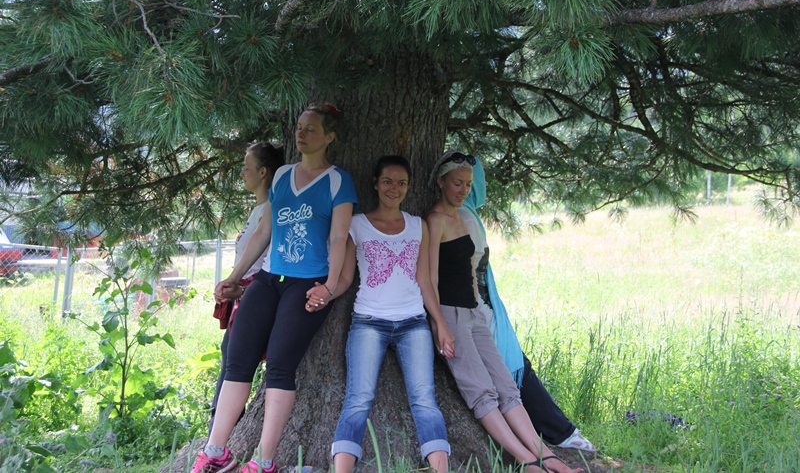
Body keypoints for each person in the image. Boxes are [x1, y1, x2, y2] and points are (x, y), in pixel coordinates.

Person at [191, 103, 358, 473]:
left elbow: (338, 238)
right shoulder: (282, 175)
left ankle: (263, 461)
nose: (302, 134)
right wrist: (235, 277)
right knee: (238, 361)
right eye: (299, 127)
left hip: (307, 284)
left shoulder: (337, 181)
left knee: (280, 368)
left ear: (329, 136)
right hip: (268, 279)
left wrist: (329, 287)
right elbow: (264, 231)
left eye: (311, 129)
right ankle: (215, 450)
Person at [425, 151, 581, 473]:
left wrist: (479, 307)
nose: (463, 190)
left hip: (474, 314)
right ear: (441, 182)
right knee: (481, 392)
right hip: (451, 316)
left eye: (468, 184)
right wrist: (439, 324)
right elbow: (429, 278)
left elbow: (471, 270)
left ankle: (547, 456)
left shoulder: (463, 217)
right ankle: (527, 461)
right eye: (457, 183)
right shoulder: (435, 220)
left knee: (508, 388)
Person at [460, 157, 596, 452]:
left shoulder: (466, 211)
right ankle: (560, 432)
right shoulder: (463, 215)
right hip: (477, 307)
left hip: (483, 303)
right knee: (514, 367)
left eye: (470, 182)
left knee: (515, 365)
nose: (472, 188)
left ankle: (556, 431)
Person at [330, 155, 455, 473]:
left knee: (424, 399)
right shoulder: (357, 224)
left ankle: (441, 469)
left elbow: (424, 279)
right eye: (387, 181)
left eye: (401, 183)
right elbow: (345, 278)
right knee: (358, 398)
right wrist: (325, 293)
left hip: (413, 323)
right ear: (375, 183)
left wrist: (439, 323)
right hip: (369, 322)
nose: (393, 188)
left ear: (408, 187)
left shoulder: (417, 225)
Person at [208, 142, 285, 433]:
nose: (241, 173)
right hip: (242, 299)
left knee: (236, 365)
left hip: (255, 300)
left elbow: (269, 265)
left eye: (246, 167)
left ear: (263, 172)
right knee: (230, 359)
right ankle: (220, 429)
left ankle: (221, 431)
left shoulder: (271, 210)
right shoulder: (258, 210)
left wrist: (241, 291)